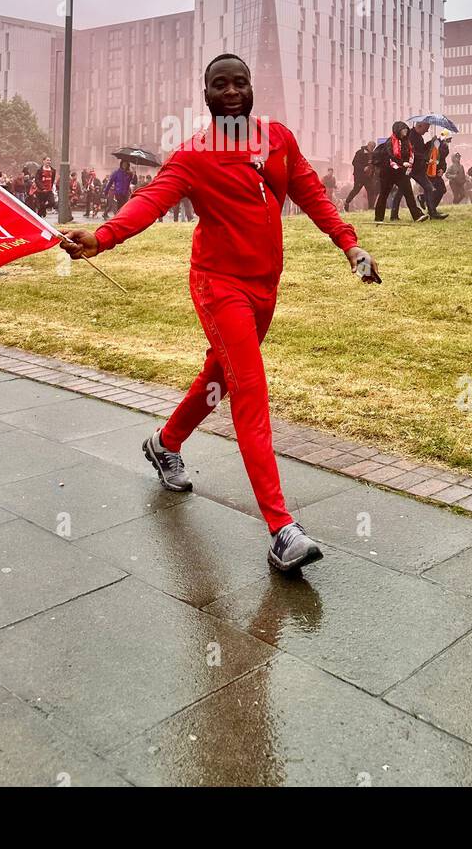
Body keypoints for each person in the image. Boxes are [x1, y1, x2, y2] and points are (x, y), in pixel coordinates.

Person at [60, 53, 380, 575]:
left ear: (251, 88)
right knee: (250, 387)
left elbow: (312, 193)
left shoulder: (279, 139)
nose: (231, 92)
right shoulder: (192, 157)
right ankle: (282, 530)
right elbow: (151, 201)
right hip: (218, 287)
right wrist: (102, 236)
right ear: (205, 94)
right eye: (219, 85)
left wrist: (350, 245)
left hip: (264, 288)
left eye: (239, 82)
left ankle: (164, 443)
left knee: (220, 376)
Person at [390, 121, 447, 220]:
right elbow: (412, 153)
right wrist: (426, 158)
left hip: (417, 169)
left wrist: (431, 142)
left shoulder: (419, 137)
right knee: (401, 191)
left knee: (429, 188)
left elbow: (422, 149)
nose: (427, 130)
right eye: (426, 128)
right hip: (408, 168)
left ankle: (432, 213)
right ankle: (394, 215)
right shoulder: (410, 136)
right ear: (420, 126)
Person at [374, 123, 424, 222]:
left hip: (400, 173)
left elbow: (410, 154)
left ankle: (417, 216)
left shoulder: (406, 142)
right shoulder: (390, 142)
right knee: (383, 195)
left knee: (409, 194)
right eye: (403, 129)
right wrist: (402, 163)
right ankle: (378, 218)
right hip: (387, 173)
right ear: (398, 130)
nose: (405, 131)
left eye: (406, 129)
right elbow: (391, 156)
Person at [344, 142, 375, 211]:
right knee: (356, 190)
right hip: (359, 176)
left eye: (374, 147)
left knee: (371, 191)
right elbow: (354, 162)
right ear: (368, 145)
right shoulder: (359, 152)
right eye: (372, 147)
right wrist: (363, 168)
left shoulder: (372, 154)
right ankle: (347, 202)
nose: (372, 149)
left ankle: (371, 207)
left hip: (368, 177)